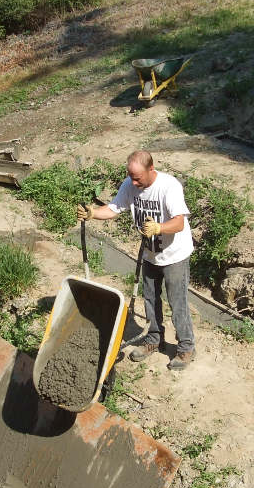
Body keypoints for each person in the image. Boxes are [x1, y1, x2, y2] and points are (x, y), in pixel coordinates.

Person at [77, 150, 196, 370]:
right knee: (150, 298)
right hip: (150, 253)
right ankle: (153, 340)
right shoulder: (130, 185)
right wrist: (93, 213)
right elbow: (114, 208)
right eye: (130, 176)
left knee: (177, 301)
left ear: (151, 169)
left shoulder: (169, 187)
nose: (133, 182)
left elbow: (179, 222)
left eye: (137, 177)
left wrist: (160, 227)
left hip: (174, 256)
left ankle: (186, 347)